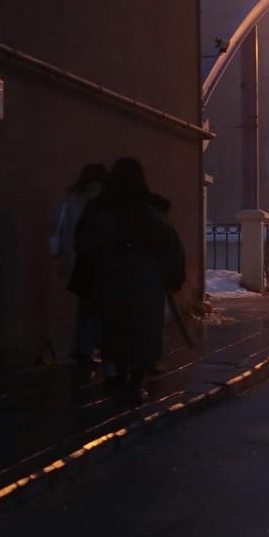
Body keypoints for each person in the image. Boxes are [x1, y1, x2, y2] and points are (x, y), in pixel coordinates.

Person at [72, 158, 185, 406]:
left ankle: (118, 375)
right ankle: (136, 382)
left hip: (111, 277)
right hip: (147, 278)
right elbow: (171, 247)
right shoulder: (152, 211)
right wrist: (174, 278)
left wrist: (88, 281)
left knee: (116, 328)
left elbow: (85, 245)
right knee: (143, 330)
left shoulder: (102, 211)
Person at [53, 163, 107, 386]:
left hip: (75, 260)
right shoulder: (103, 200)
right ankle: (92, 347)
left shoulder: (70, 198)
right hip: (96, 261)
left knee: (86, 305)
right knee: (99, 305)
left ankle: (84, 350)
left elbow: (55, 221)